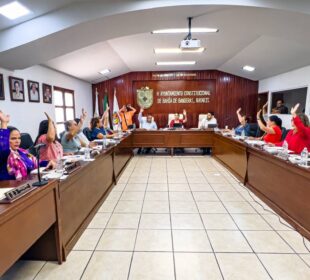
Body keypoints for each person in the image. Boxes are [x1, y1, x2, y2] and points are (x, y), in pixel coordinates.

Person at [0, 110, 55, 180]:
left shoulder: (22, 152)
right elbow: (4, 148)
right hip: (10, 186)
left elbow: (36, 162)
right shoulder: (4, 154)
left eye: (19, 138)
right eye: (13, 139)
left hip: (26, 184)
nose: (17, 141)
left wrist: (49, 162)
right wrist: (4, 123)